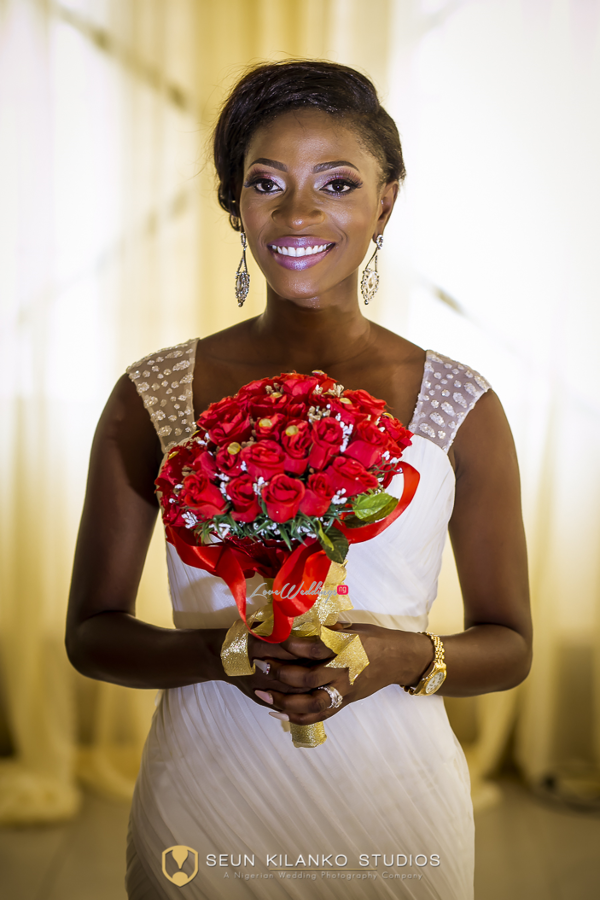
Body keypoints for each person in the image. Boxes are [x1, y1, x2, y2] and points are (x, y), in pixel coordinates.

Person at [65, 60, 532, 899]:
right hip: (208, 785)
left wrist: (398, 657)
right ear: (234, 203)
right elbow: (92, 633)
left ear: (386, 200)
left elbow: (511, 645)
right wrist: (224, 653)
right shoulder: (154, 395)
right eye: (266, 182)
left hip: (396, 793)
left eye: (338, 182)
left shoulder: (463, 404)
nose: (299, 214)